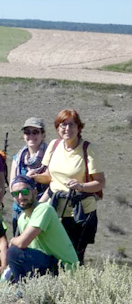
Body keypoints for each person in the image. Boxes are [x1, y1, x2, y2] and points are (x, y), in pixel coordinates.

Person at [34, 109, 105, 264]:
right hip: (55, 212)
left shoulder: (88, 149)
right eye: (63, 125)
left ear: (79, 127)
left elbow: (100, 182)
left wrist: (81, 186)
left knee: (74, 258)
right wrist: (35, 177)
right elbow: (49, 177)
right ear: (58, 128)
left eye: (71, 125)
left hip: (80, 214)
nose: (67, 129)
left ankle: (74, 287)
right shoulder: (54, 145)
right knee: (53, 255)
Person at [6, 175, 78, 282]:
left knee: (13, 252)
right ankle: (24, 288)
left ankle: (21, 289)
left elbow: (22, 243)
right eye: (15, 194)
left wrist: (12, 240)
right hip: (46, 263)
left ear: (34, 192)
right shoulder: (22, 218)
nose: (20, 196)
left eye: (24, 192)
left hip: (63, 268)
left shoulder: (44, 209)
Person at [9, 117, 50, 234]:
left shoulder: (50, 158)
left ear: (43, 134)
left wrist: (37, 207)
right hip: (19, 209)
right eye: (27, 132)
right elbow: (12, 186)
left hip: (41, 211)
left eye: (35, 132)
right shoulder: (18, 158)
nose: (31, 136)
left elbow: (52, 185)